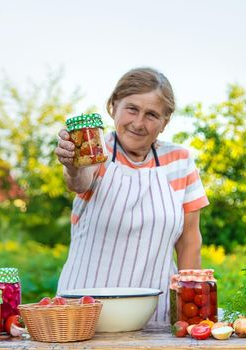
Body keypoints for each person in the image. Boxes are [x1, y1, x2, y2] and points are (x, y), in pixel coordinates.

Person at [54, 67, 209, 327]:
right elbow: (79, 182)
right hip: (84, 312)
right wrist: (72, 165)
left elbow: (189, 243)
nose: (139, 123)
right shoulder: (95, 149)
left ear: (165, 122)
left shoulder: (180, 161)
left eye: (151, 115)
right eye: (132, 109)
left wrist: (189, 313)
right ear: (114, 106)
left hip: (154, 316)